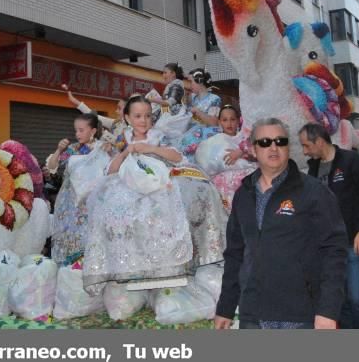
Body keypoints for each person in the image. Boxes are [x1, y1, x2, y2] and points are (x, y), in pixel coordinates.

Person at [214, 118, 347, 329]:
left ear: (288, 147)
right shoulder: (244, 194)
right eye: (265, 142)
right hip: (253, 314)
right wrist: (225, 307)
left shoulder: (313, 192)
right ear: (253, 149)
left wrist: (328, 310)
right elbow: (235, 253)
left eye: (280, 141)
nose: (273, 147)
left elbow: (334, 251)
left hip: (300, 315)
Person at [83, 95, 226, 292]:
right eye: (138, 116)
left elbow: (178, 156)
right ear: (127, 118)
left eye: (148, 116)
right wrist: (127, 152)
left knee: (165, 211)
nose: (143, 120)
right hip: (127, 182)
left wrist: (151, 148)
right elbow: (111, 170)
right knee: (110, 206)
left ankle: (167, 264)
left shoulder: (159, 136)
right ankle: (131, 265)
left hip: (158, 181)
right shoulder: (121, 139)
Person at [299, 123, 359, 329]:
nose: (304, 151)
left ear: (319, 141)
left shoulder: (351, 161)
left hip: (354, 240)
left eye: (306, 145)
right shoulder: (313, 168)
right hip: (328, 246)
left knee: (357, 298)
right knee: (339, 299)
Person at [45, 113, 107, 265]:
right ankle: (71, 272)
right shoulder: (73, 149)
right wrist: (59, 150)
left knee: (93, 240)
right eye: (76, 130)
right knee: (72, 241)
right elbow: (52, 167)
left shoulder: (103, 148)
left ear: (92, 131)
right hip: (72, 206)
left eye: (81, 130)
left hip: (95, 204)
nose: (77, 134)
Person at [195, 105, 255, 212]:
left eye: (233, 119)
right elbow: (206, 158)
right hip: (219, 180)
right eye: (225, 120)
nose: (229, 123)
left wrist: (241, 152)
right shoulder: (215, 139)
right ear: (220, 122)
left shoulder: (243, 138)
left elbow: (255, 155)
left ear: (238, 121)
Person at [177, 68, 222, 157]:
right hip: (189, 132)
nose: (190, 85)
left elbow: (214, 122)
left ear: (200, 81)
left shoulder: (214, 99)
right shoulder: (192, 98)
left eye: (191, 82)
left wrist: (198, 111)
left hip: (203, 135)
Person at [62, 83, 126, 138]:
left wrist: (105, 135)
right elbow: (94, 116)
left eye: (119, 108)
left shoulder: (133, 129)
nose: (116, 111)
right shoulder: (116, 123)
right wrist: (75, 101)